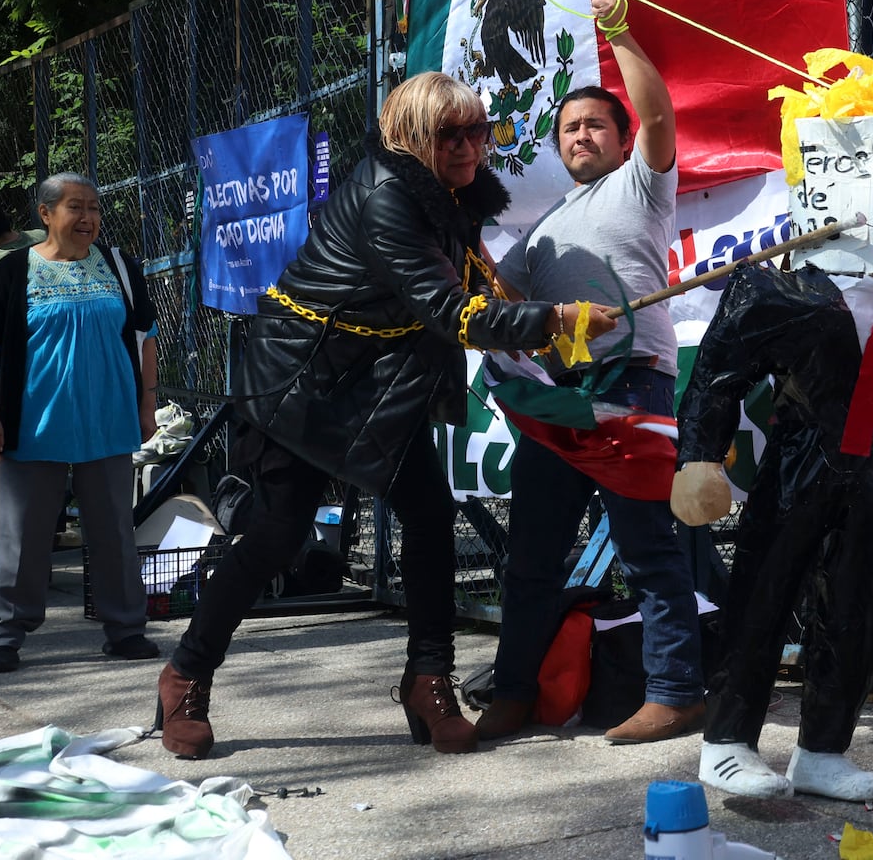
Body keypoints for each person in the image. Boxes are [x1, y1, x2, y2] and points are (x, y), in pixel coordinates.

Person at [154, 71, 616, 760]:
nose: (466, 147)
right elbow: (449, 311)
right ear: (409, 138)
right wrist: (551, 319)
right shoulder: (388, 196)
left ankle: (428, 679)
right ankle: (185, 674)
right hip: (302, 382)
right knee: (276, 535)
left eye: (476, 132)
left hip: (376, 386)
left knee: (429, 518)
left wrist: (539, 305)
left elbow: (475, 284)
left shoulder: (451, 198)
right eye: (448, 134)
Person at [475, 0, 705, 745]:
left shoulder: (643, 185)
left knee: (648, 551)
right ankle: (513, 695)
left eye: (595, 125)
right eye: (570, 128)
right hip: (555, 407)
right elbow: (500, 305)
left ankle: (675, 693)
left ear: (620, 136)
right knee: (532, 558)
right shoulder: (541, 233)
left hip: (632, 386)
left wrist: (624, 35)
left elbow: (662, 117)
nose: (580, 136)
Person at [671, 262, 873, 801]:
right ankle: (725, 740)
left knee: (851, 615)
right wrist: (700, 455)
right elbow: (720, 369)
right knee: (760, 602)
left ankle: (823, 750)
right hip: (791, 477)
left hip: (859, 489)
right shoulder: (788, 294)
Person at [0, 172, 162, 674]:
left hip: (109, 421)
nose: (89, 218)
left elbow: (146, 337)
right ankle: (5, 634)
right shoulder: (12, 271)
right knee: (22, 534)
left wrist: (146, 406)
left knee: (114, 529)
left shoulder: (119, 266)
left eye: (94, 207)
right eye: (76, 207)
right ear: (46, 214)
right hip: (35, 424)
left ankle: (125, 629)